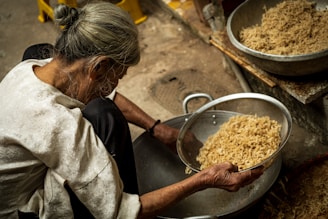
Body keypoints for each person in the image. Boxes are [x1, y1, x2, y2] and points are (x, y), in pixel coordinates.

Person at [0, 2, 263, 219]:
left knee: (98, 102)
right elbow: (121, 212)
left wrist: (157, 128)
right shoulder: (61, 126)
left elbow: (101, 90)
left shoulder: (33, 67)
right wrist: (204, 179)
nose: (115, 85)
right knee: (107, 116)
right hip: (18, 210)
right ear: (99, 67)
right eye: (119, 75)